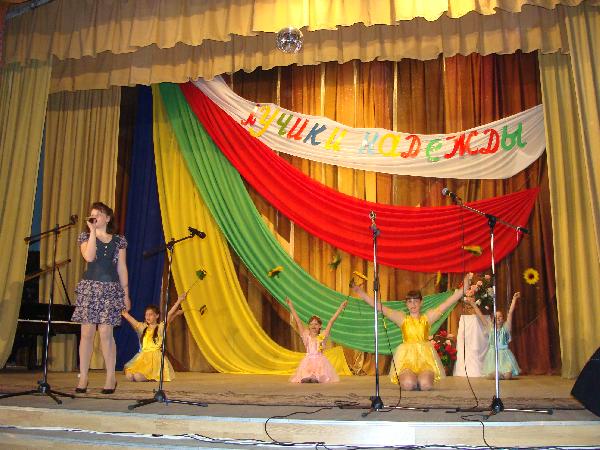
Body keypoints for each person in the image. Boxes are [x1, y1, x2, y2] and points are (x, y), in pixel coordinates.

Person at [352, 272, 473, 391]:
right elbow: (379, 307)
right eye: (409, 301)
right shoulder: (402, 319)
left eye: (415, 301)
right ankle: (411, 378)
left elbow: (447, 303)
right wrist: (359, 292)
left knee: (425, 385)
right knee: (408, 384)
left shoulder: (427, 318)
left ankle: (421, 379)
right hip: (407, 360)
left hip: (425, 359)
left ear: (421, 302)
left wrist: (465, 287)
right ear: (406, 304)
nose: (413, 304)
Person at [72, 202, 130, 394]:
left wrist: (126, 294)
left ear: (107, 218)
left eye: (98, 214)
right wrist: (92, 232)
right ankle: (84, 377)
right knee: (87, 333)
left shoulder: (119, 241)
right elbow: (89, 257)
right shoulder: (85, 237)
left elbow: (122, 267)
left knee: (106, 333)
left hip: (110, 289)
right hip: (90, 288)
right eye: (92, 214)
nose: (94, 217)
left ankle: (110, 377)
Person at [121, 293, 186, 382]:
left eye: (151, 314)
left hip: (154, 360)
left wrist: (179, 301)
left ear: (157, 316)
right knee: (129, 376)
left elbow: (169, 315)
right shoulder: (143, 327)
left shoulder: (160, 327)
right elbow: (130, 319)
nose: (148, 317)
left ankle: (151, 376)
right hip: (143, 359)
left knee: (137, 377)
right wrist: (123, 312)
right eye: (146, 315)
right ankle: (145, 375)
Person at [287, 297, 348, 383]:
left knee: (319, 374)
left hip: (320, 361)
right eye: (311, 324)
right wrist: (290, 305)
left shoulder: (323, 336)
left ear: (320, 326)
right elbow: (298, 321)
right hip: (308, 361)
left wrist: (341, 308)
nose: (313, 326)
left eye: (316, 324)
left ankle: (315, 378)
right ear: (309, 326)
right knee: (306, 373)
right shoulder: (306, 336)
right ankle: (308, 377)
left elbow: (331, 321)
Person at [466, 291, 521, 379]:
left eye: (500, 317)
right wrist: (473, 304)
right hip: (493, 356)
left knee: (508, 376)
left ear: (503, 319)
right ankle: (497, 374)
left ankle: (503, 374)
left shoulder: (506, 328)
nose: (498, 318)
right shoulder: (490, 329)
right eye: (496, 317)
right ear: (492, 320)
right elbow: (480, 315)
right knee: (494, 375)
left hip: (505, 355)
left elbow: (510, 313)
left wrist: (514, 299)